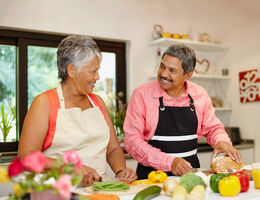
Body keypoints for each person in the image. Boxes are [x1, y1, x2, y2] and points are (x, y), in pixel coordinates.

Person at [18, 35, 137, 184]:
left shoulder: (97, 102)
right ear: (72, 70)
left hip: (97, 191)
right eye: (93, 71)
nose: (97, 77)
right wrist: (71, 168)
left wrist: (121, 171)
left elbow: (113, 149)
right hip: (58, 192)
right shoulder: (44, 103)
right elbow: (26, 158)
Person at [123, 44, 242, 179]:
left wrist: (221, 142)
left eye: (172, 70)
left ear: (188, 75)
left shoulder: (199, 95)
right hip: (151, 178)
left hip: (190, 176)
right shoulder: (141, 95)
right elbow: (132, 141)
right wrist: (169, 162)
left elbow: (213, 128)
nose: (163, 73)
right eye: (162, 66)